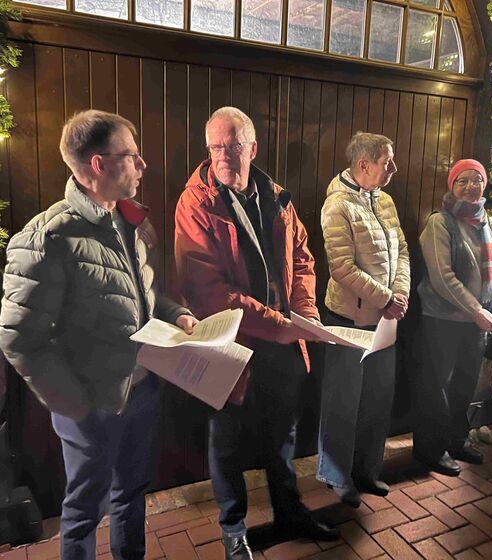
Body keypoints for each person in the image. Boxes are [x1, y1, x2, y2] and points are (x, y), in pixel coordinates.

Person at [0, 110, 198, 560]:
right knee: (85, 509)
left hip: (141, 391)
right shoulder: (48, 237)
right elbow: (18, 338)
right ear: (98, 164)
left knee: (131, 493)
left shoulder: (131, 222)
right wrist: (77, 407)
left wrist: (179, 315)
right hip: (90, 409)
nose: (143, 165)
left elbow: (146, 297)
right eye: (132, 155)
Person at [175, 106, 338, 559]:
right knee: (226, 441)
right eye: (215, 147)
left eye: (232, 146)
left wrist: (305, 315)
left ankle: (289, 512)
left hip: (283, 343)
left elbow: (302, 259)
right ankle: (233, 529)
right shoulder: (196, 203)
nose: (223, 156)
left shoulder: (277, 196)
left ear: (252, 148)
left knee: (282, 434)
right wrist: (280, 325)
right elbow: (208, 291)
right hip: (230, 344)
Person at [317, 132, 410, 508]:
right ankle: (336, 475)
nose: (394, 168)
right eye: (387, 162)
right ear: (363, 165)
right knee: (343, 402)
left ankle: (367, 470)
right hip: (348, 319)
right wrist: (386, 299)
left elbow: (402, 249)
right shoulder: (337, 205)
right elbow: (341, 268)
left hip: (385, 318)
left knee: (377, 396)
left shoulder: (384, 199)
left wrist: (399, 293)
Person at [413, 159, 492, 476]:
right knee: (436, 387)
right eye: (462, 181)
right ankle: (430, 449)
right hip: (443, 321)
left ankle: (456, 440)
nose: (470, 187)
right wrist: (478, 310)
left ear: (484, 184)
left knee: (465, 385)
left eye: (476, 180)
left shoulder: (486, 222)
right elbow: (443, 278)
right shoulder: (439, 223)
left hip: (478, 323)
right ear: (452, 186)